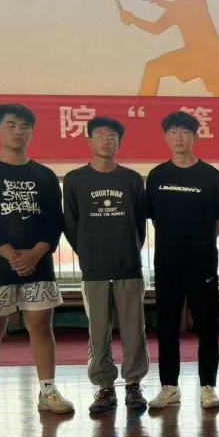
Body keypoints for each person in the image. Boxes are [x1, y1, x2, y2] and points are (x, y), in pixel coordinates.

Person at [0, 103, 71, 426]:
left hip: (38, 265)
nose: (18, 131)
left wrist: (36, 253)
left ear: (32, 131)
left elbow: (54, 221)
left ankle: (48, 391)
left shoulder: (45, 175)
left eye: (24, 126)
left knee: (41, 326)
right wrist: (11, 254)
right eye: (11, 124)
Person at [63, 116, 149, 414]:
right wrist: (89, 252)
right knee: (98, 331)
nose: (106, 141)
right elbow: (71, 225)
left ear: (119, 143)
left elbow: (140, 225)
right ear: (89, 140)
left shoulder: (132, 179)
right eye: (100, 135)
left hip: (128, 267)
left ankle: (134, 384)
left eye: (112, 137)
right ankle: (104, 387)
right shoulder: (75, 180)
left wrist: (128, 251)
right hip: (94, 269)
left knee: (134, 330)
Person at [145, 111, 219, 410]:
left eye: (184, 132)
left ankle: (208, 386)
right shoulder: (157, 176)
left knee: (207, 325)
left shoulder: (210, 175)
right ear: (166, 137)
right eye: (173, 132)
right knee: (167, 326)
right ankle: (169, 386)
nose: (178, 138)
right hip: (167, 263)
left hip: (202, 263)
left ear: (195, 136)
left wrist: (200, 241)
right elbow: (154, 218)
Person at [120, 0, 219, 97]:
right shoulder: (182, 0)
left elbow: (181, 10)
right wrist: (134, 19)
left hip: (205, 53)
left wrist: (160, 3)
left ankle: (144, 107)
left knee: (152, 68)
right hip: (212, 54)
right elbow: (158, 26)